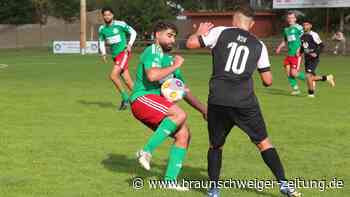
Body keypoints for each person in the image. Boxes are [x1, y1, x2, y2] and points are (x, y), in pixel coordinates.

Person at [186, 5, 301, 197]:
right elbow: (268, 81)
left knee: (216, 146)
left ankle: (214, 190)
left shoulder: (220, 32)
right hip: (244, 102)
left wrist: (198, 32)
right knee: (263, 143)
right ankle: (284, 185)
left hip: (218, 100)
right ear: (252, 24)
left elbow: (190, 44)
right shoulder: (258, 44)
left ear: (233, 20)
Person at [131, 21, 207, 190]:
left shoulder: (170, 60)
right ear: (157, 34)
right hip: (142, 99)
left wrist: (204, 110)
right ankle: (146, 151)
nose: (172, 40)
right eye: (169, 35)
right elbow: (152, 76)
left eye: (174, 36)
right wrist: (176, 65)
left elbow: (183, 91)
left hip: (156, 103)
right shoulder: (152, 51)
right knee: (179, 114)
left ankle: (170, 180)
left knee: (184, 134)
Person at [98, 7, 137, 110]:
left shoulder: (120, 24)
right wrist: (103, 53)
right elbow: (101, 41)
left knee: (113, 76)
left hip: (123, 53)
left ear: (112, 15)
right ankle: (144, 100)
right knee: (128, 82)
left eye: (109, 14)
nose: (107, 17)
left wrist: (129, 45)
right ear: (103, 16)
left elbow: (133, 32)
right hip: (115, 56)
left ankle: (125, 98)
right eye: (105, 15)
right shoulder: (102, 29)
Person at [300, 19, 335, 98]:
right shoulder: (301, 36)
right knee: (311, 77)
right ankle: (327, 78)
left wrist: (316, 53)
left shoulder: (314, 35)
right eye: (304, 25)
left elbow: (322, 46)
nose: (305, 26)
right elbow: (303, 47)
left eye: (306, 25)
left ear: (310, 26)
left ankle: (311, 94)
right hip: (307, 59)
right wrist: (299, 53)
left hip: (314, 59)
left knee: (308, 76)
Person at [276, 11, 305, 95]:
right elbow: (285, 41)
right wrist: (279, 47)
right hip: (289, 54)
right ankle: (296, 89)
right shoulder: (286, 30)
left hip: (296, 54)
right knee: (288, 73)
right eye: (289, 18)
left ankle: (310, 79)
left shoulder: (298, 28)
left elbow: (304, 38)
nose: (290, 19)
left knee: (294, 73)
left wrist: (299, 49)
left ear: (295, 19)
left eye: (292, 18)